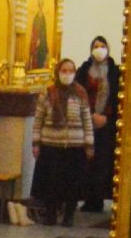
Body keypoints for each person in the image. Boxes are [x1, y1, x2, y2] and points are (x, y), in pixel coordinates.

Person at [31, 58, 95, 227]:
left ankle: (69, 215)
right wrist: (36, 143)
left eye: (71, 71)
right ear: (58, 72)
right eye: (64, 71)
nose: (67, 74)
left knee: (72, 183)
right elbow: (38, 120)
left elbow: (87, 120)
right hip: (51, 145)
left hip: (74, 146)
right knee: (51, 183)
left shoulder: (80, 93)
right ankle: (50, 215)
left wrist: (89, 144)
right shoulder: (48, 93)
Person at [79, 36, 121, 212]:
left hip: (107, 124)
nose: (99, 49)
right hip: (86, 122)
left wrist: (106, 118)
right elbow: (79, 95)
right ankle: (88, 198)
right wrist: (89, 116)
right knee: (86, 161)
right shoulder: (84, 70)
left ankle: (99, 197)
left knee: (103, 162)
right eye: (96, 46)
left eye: (102, 46)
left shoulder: (115, 72)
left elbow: (119, 97)